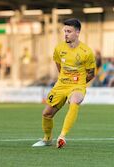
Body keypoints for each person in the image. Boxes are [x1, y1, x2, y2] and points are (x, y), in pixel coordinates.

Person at [32, 18, 96, 148]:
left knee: (75, 100)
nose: (66, 34)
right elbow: (59, 65)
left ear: (77, 32)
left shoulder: (86, 51)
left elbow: (91, 73)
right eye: (65, 31)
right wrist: (63, 79)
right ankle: (47, 139)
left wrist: (80, 84)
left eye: (69, 31)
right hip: (61, 85)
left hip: (77, 85)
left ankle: (62, 136)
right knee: (46, 114)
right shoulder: (59, 48)